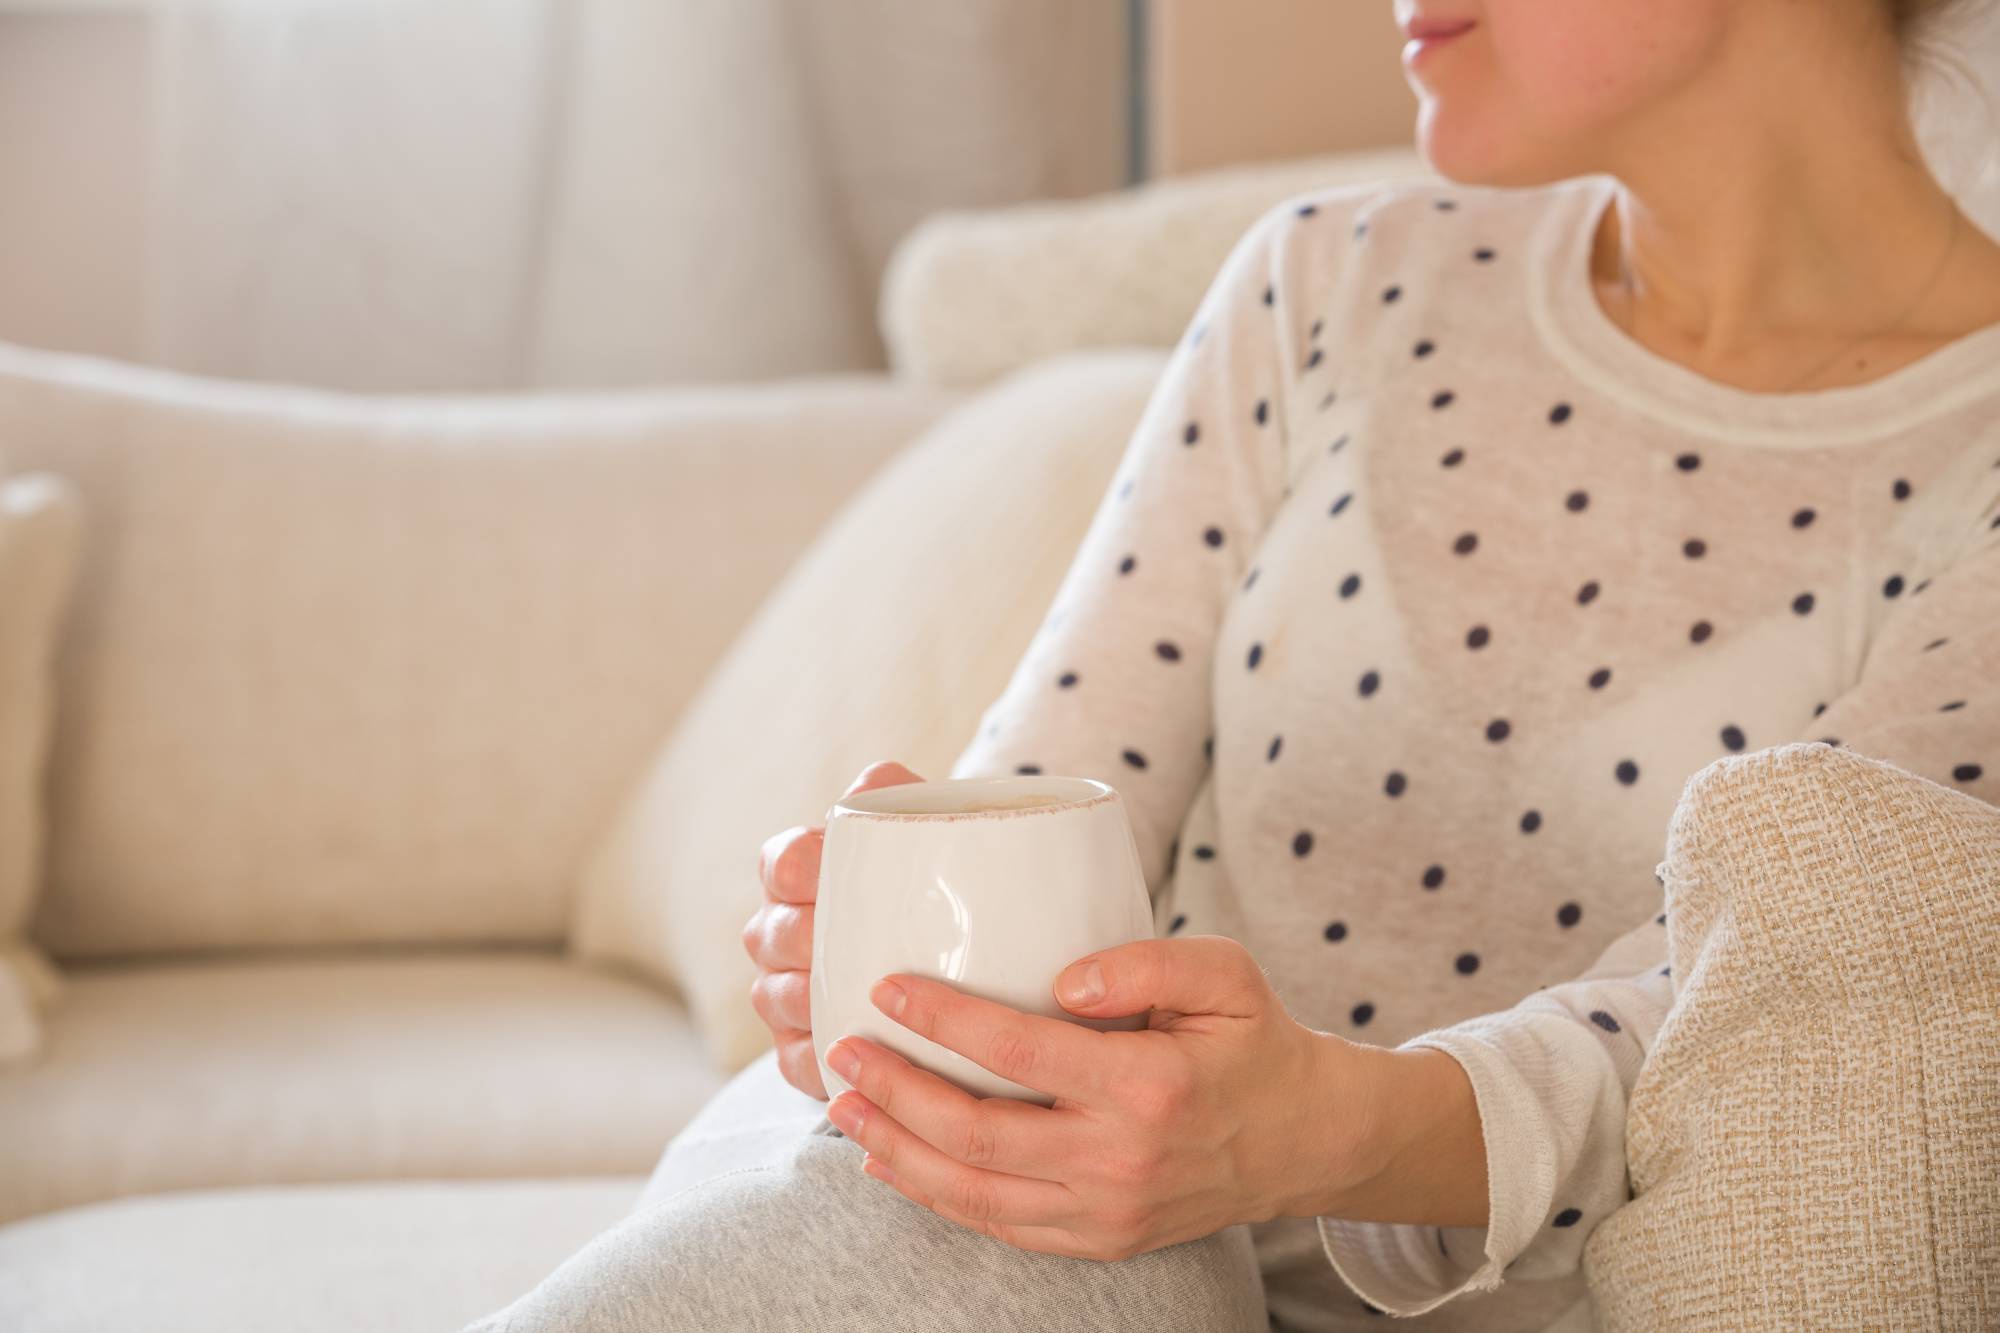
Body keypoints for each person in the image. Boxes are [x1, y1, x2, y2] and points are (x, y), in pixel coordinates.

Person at [465, 1, 2000, 1329]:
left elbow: (1752, 1017)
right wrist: (915, 982)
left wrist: (1318, 1131)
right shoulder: (1333, 278)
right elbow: (1060, 790)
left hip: (1419, 1287)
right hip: (1044, 1239)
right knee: (1017, 1241)